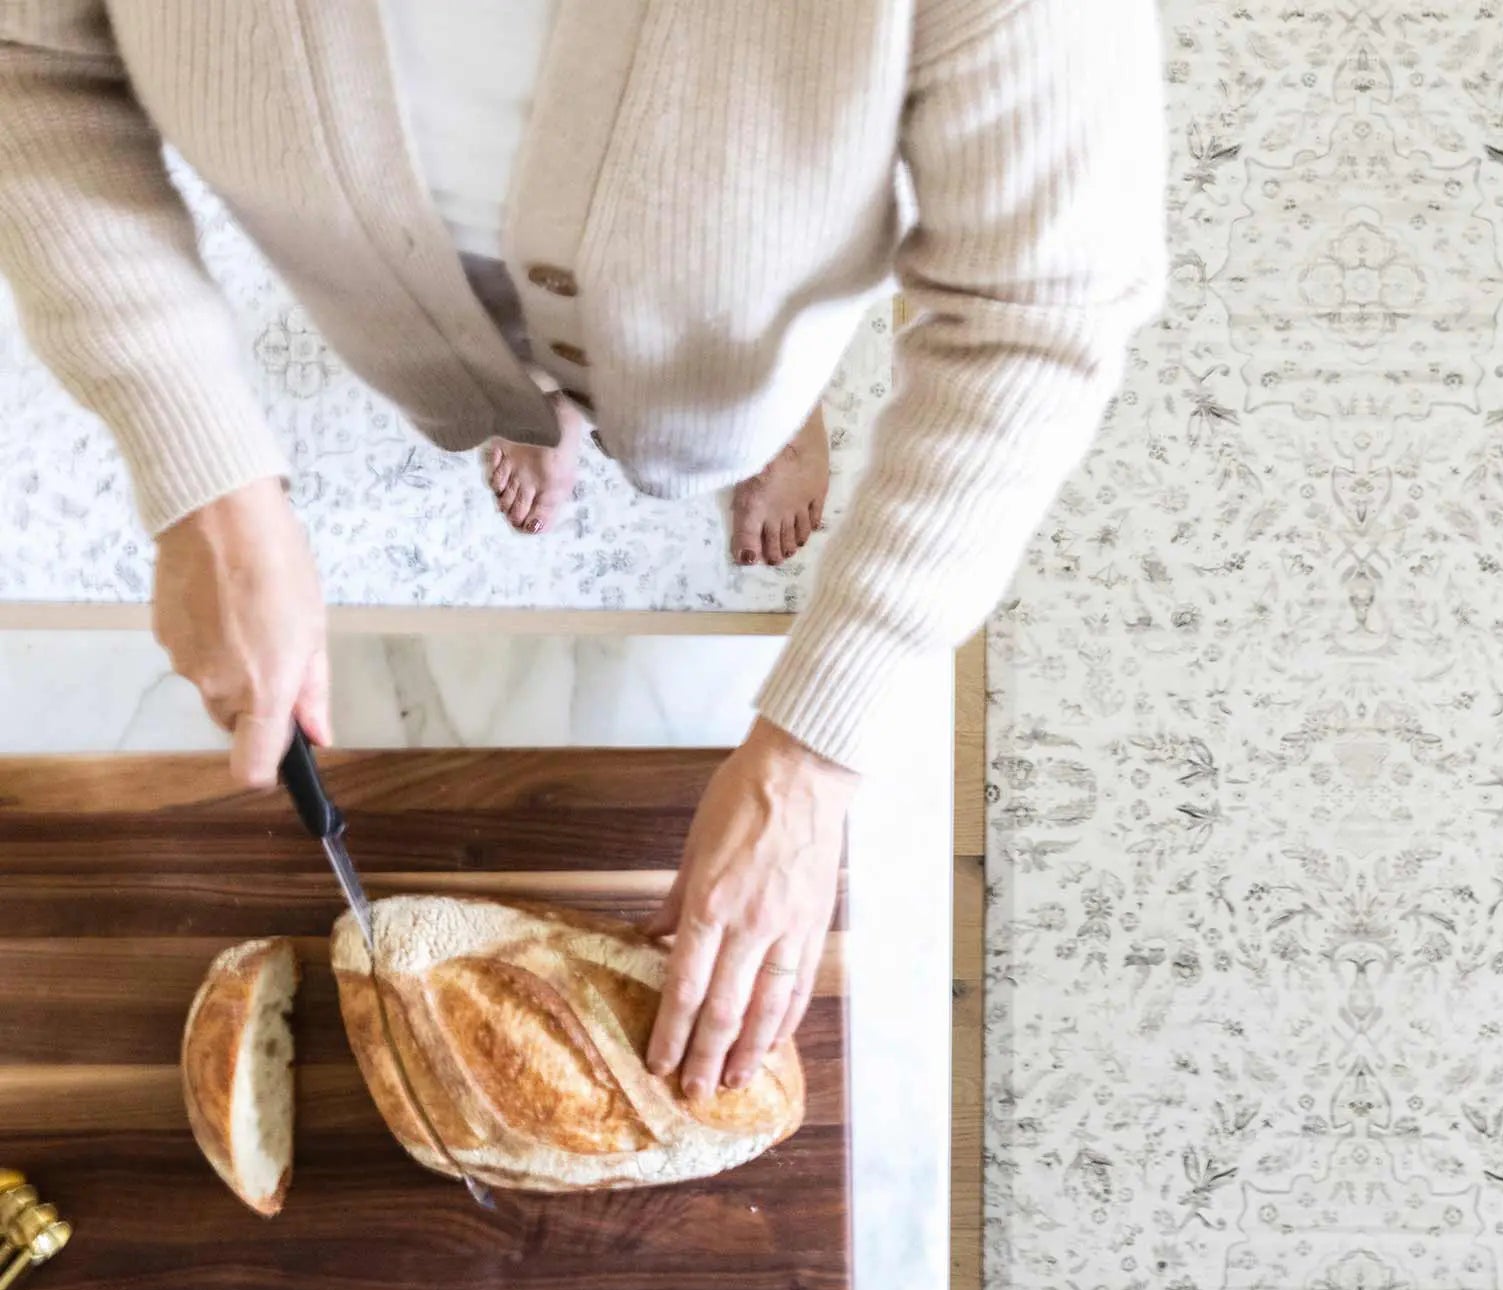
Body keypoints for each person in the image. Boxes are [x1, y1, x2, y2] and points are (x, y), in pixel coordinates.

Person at [0, 0, 1167, 1099]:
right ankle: (539, 404)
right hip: (418, 319)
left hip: (730, 336)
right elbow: (32, 63)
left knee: (727, 414)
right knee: (489, 398)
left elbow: (1035, 307)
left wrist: (815, 752)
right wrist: (208, 486)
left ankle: (763, 423)